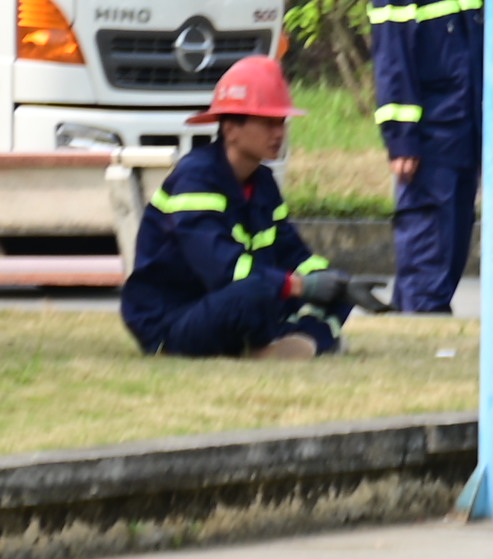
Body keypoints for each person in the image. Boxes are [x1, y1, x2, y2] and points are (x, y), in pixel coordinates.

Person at [121, 55, 384, 358]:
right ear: (231, 128)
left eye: (282, 123)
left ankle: (296, 343)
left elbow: (292, 253)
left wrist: (337, 283)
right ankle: (297, 341)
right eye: (268, 123)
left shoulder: (263, 182)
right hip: (174, 319)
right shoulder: (195, 178)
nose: (279, 133)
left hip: (230, 302)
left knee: (331, 288)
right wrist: (302, 287)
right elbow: (224, 268)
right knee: (254, 291)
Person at [371, 0, 486, 314]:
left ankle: (414, 322)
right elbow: (393, 60)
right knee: (427, 249)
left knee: (452, 246)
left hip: (463, 133)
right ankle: (422, 329)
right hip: (430, 139)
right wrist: (402, 140)